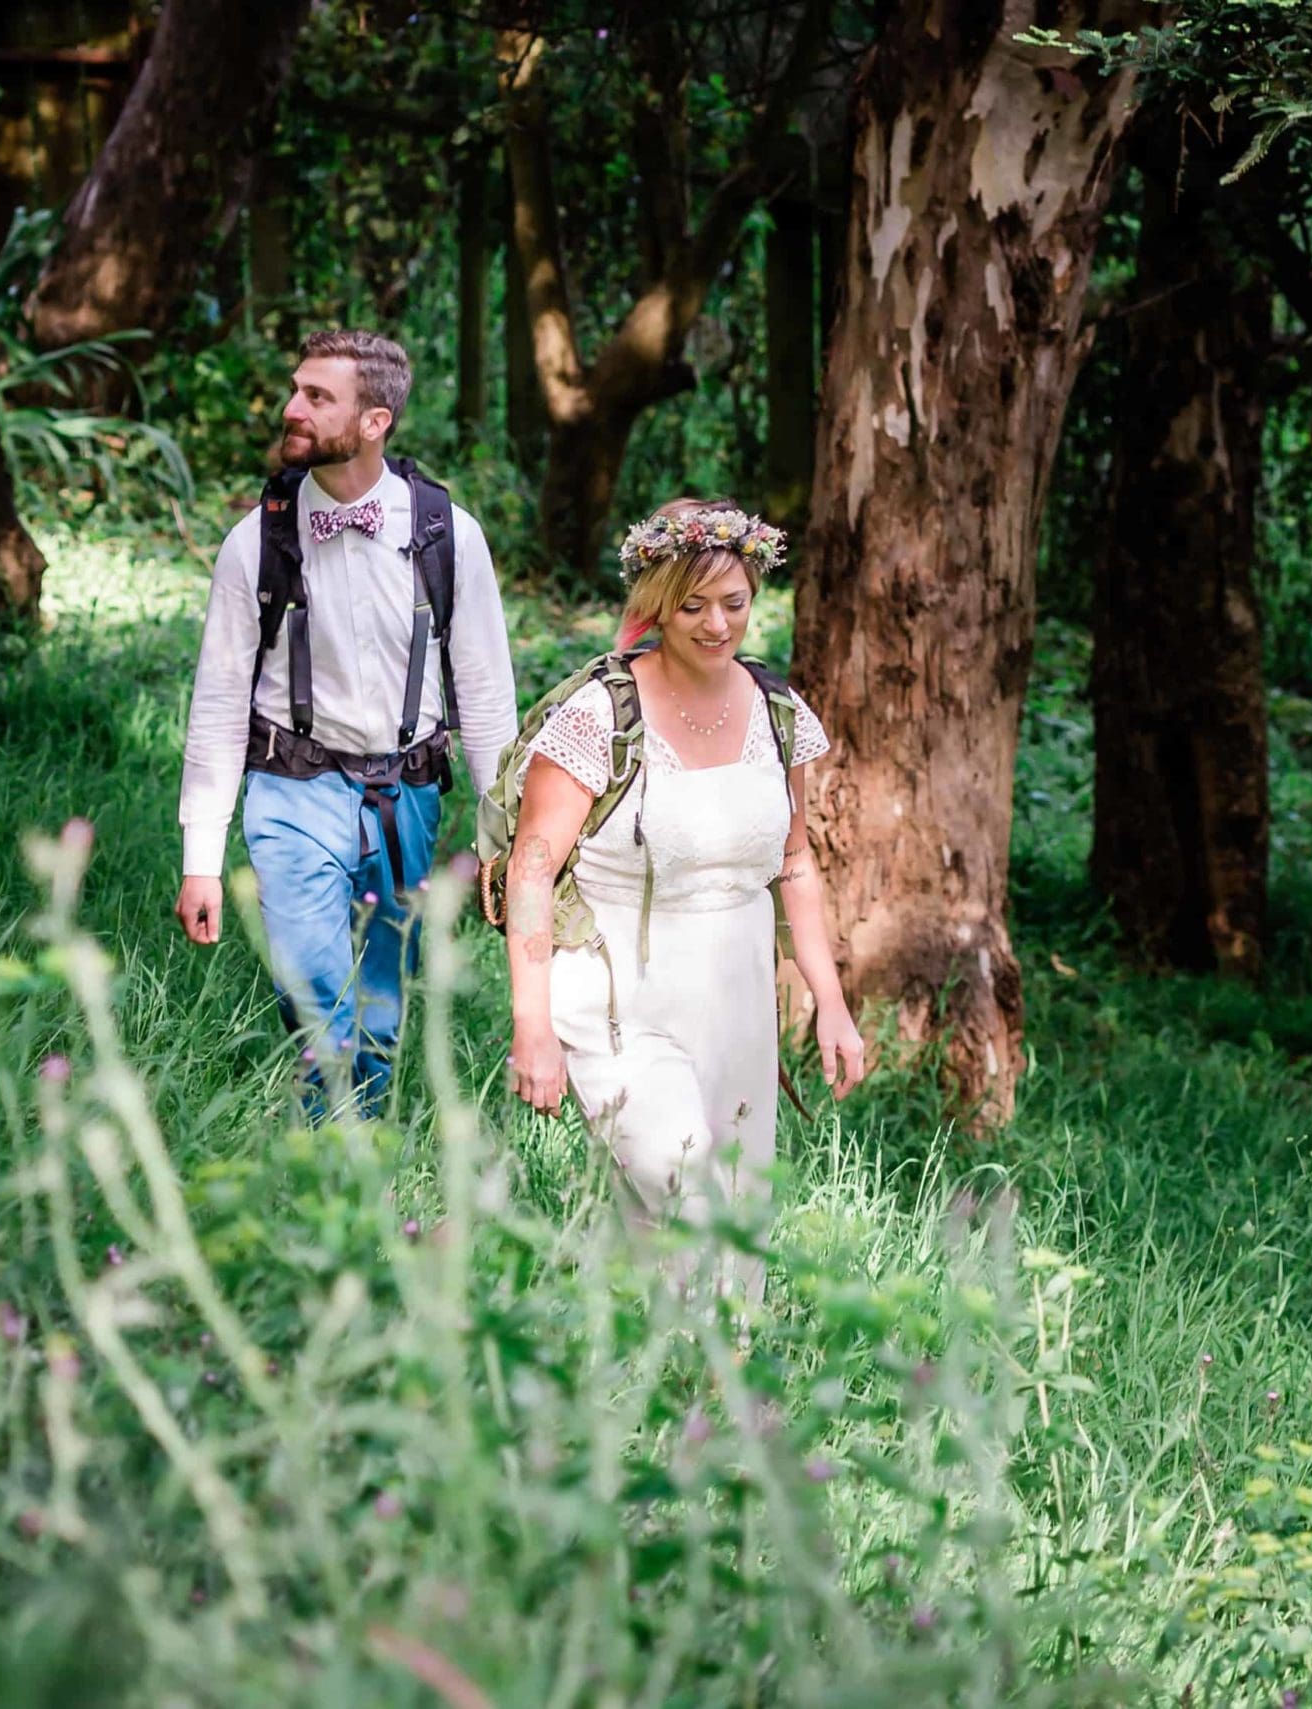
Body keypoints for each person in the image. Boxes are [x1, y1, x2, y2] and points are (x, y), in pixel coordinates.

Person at [500, 498, 867, 1300]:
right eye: (692, 604)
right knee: (695, 1205)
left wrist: (831, 1001)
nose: (714, 624)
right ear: (656, 602)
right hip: (616, 1004)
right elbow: (529, 871)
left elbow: (796, 863)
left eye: (733, 603)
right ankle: (731, 1397)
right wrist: (532, 1027)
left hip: (737, 1003)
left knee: (720, 1213)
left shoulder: (777, 712)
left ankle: (643, 1387)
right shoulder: (599, 716)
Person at [176, 330, 516, 1115]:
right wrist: (201, 856)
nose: (292, 409)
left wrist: (504, 839)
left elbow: (488, 695)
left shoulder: (445, 533)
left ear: (375, 420)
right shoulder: (256, 538)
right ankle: (326, 1145)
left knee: (383, 993)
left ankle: (358, 1156)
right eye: (296, 389)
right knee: (313, 978)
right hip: (290, 785)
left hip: (408, 792)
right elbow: (220, 699)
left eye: (317, 398)